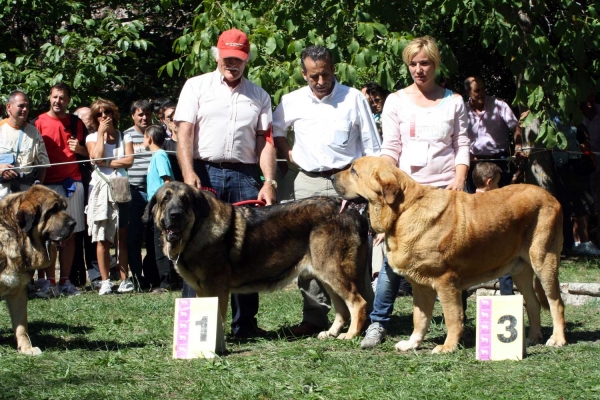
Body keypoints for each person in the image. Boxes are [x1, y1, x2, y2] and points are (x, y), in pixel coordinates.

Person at [360, 36, 470, 349]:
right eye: (413, 64)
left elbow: (461, 145)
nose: (419, 70)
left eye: (425, 63)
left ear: (435, 64)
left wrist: (459, 178)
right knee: (393, 261)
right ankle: (378, 323)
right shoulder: (395, 101)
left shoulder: (455, 101)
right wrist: (383, 188)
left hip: (446, 190)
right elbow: (391, 148)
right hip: (405, 196)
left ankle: (458, 327)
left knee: (453, 259)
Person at [174, 28, 277, 338]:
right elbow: (184, 134)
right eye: (228, 58)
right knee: (194, 246)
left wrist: (268, 181)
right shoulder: (196, 87)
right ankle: (196, 330)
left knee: (248, 248)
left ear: (247, 61)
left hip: (245, 174)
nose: (233, 64)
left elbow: (267, 142)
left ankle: (245, 325)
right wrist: (189, 173)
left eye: (239, 60)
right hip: (203, 171)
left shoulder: (259, 95)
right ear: (216, 55)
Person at [273, 45, 381, 336]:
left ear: (335, 69)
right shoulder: (291, 101)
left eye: (326, 75)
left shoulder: (354, 98)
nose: (321, 82)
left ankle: (365, 314)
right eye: (314, 76)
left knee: (354, 250)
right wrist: (288, 152)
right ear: (304, 73)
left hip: (348, 183)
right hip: (306, 181)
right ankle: (314, 317)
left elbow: (372, 146)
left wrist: (369, 190)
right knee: (308, 251)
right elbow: (276, 132)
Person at [33, 83, 88, 297]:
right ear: (49, 97)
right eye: (55, 97)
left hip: (72, 182)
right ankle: (49, 282)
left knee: (70, 234)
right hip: (47, 185)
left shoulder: (76, 122)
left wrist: (80, 149)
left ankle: (65, 280)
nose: (58, 101)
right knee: (48, 235)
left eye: (63, 98)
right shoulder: (38, 122)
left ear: (68, 100)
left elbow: (89, 153)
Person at [85, 99, 135, 295]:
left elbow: (129, 161)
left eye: (106, 112)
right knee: (102, 237)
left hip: (121, 188)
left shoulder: (126, 136)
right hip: (100, 189)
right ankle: (105, 281)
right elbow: (95, 158)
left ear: (113, 113)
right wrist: (100, 135)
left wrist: (106, 161)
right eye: (98, 114)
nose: (103, 116)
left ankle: (125, 279)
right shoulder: (91, 138)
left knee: (121, 236)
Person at [464, 76, 523, 191]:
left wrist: (518, 149)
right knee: (476, 201)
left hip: (499, 160)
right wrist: (467, 154)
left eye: (483, 89)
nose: (481, 93)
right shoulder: (463, 110)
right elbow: (458, 136)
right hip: (476, 162)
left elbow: (515, 127)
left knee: (502, 199)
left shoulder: (498, 104)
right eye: (477, 91)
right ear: (468, 92)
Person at [123, 100, 154, 290]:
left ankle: (152, 275)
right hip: (133, 191)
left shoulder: (156, 134)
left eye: (147, 114)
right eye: (140, 114)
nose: (144, 118)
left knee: (153, 237)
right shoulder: (125, 135)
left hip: (153, 192)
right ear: (133, 116)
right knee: (133, 236)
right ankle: (136, 276)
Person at [143, 124, 175, 292]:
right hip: (154, 204)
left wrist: (163, 206)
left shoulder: (160, 155)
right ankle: (158, 279)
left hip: (160, 205)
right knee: (153, 244)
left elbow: (167, 182)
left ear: (149, 138)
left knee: (160, 243)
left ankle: (166, 282)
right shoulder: (156, 156)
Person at [0, 91, 49, 200]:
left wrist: (36, 191)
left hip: (24, 193)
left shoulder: (34, 133)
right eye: (21, 106)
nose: (25, 109)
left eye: (27, 106)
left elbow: (43, 166)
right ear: (9, 107)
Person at [159, 101, 183, 182]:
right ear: (168, 122)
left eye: (178, 118)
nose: (176, 122)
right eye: (172, 119)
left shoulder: (192, 143)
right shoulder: (163, 143)